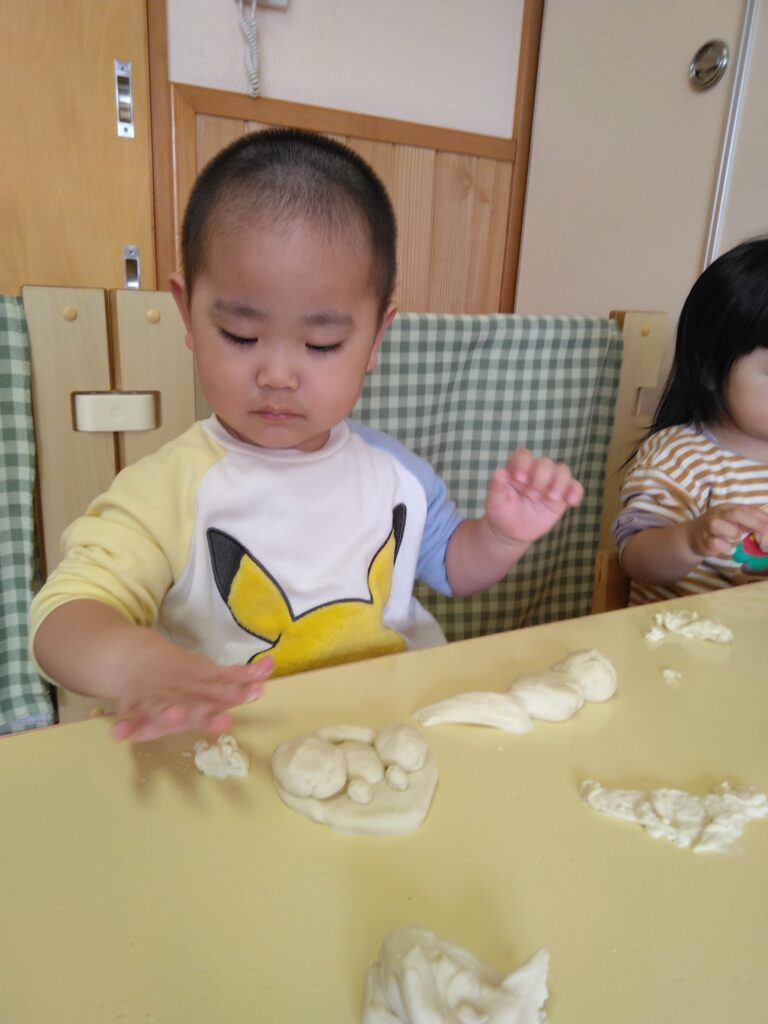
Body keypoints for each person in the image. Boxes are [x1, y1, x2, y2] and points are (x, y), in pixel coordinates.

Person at [30, 128, 583, 742]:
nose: (277, 375)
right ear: (187, 313)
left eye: (322, 344)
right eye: (241, 335)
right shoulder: (167, 490)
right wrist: (133, 661)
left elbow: (453, 567)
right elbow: (64, 617)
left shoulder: (394, 473)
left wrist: (501, 536)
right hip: (236, 749)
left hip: (396, 736)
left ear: (375, 338)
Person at [613, 238, 768, 604]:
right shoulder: (682, 456)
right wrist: (691, 538)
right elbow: (636, 558)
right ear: (709, 369)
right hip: (681, 635)